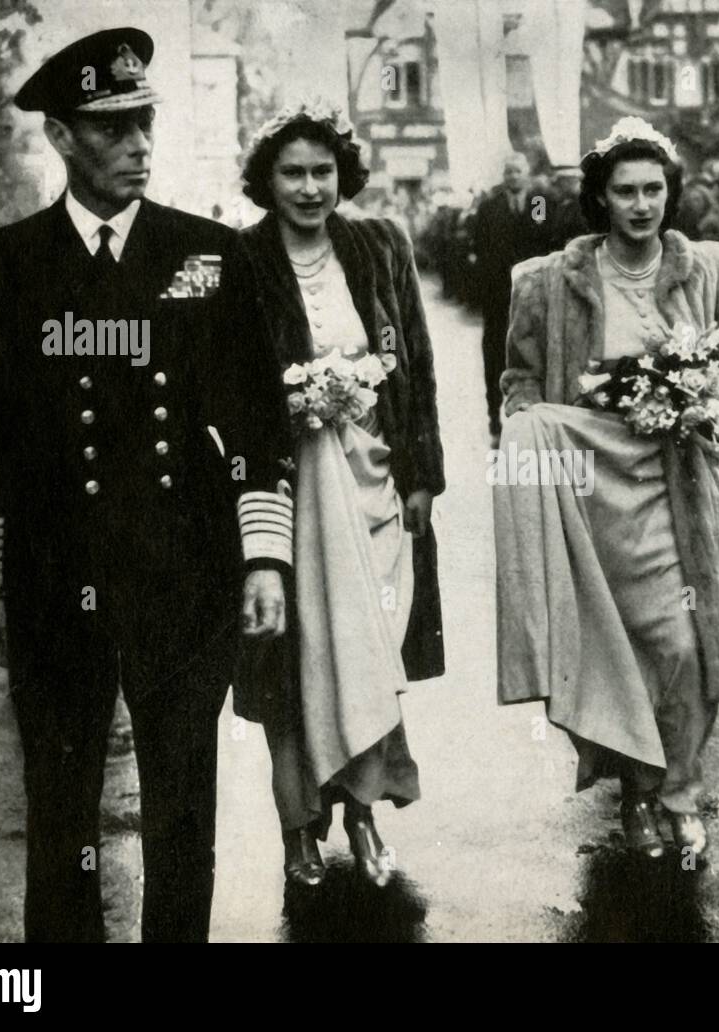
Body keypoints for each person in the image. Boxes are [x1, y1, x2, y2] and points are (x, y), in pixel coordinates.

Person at [0, 28, 293, 942]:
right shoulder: (8, 264)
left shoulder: (209, 255)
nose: (138, 145)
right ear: (62, 138)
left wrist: (263, 557)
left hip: (183, 575)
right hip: (50, 576)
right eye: (112, 130)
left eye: (144, 124)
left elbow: (259, 425)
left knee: (182, 806)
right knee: (62, 808)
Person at [494, 117, 719, 859]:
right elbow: (518, 380)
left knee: (684, 644)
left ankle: (681, 789)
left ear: (671, 193)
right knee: (620, 650)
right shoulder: (547, 281)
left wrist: (703, 399)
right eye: (625, 192)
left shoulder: (712, 271)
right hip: (590, 488)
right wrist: (527, 427)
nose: (641, 205)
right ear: (600, 199)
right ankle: (638, 794)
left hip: (676, 481)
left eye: (654, 189)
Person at [233, 102, 445, 890]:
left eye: (323, 171)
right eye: (293, 172)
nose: (311, 187)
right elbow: (231, 385)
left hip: (374, 481)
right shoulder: (243, 257)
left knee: (368, 649)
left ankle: (362, 809)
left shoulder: (378, 243)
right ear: (267, 179)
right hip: (287, 491)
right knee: (291, 656)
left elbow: (416, 362)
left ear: (343, 176)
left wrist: (423, 475)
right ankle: (298, 825)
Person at [472, 152, 553, 438]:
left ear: (527, 172)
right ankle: (493, 415)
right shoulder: (490, 207)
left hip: (533, 295)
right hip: (498, 296)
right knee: (494, 353)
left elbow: (545, 239)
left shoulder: (539, 203)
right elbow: (480, 248)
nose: (513, 176)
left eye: (517, 171)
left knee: (534, 352)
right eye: (508, 172)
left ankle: (534, 415)